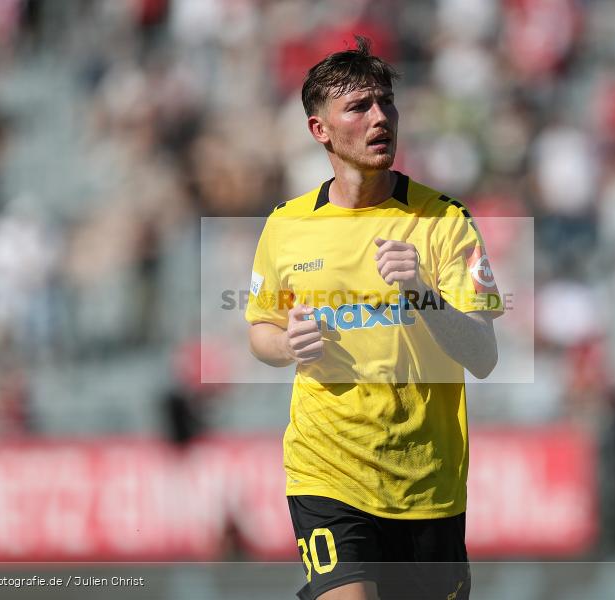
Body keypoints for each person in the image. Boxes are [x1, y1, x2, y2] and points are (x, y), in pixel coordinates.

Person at [245, 36, 502, 600]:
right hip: (327, 471)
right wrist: (291, 343)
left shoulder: (444, 220)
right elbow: (260, 333)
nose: (380, 117)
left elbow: (484, 357)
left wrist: (421, 292)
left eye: (386, 102)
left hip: (427, 483)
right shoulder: (287, 226)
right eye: (359, 107)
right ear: (321, 130)